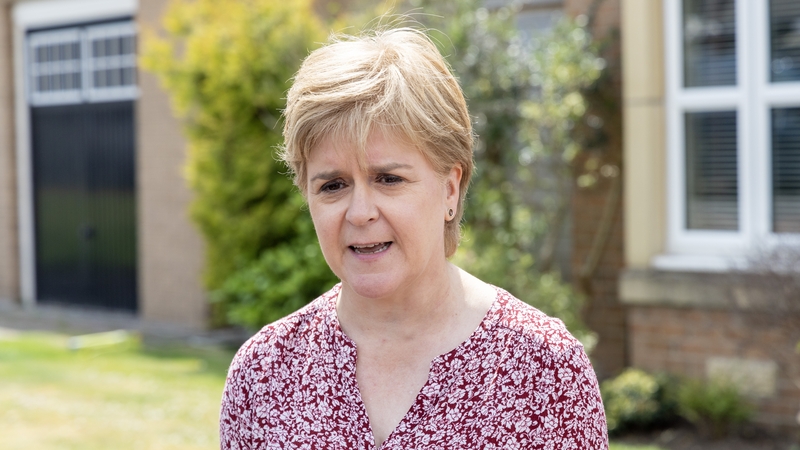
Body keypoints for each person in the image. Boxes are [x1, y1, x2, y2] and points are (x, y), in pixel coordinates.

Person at [220, 27, 608, 449]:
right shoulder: (262, 375)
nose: (360, 212)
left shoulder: (544, 370)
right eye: (332, 185)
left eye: (388, 179)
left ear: (450, 189)